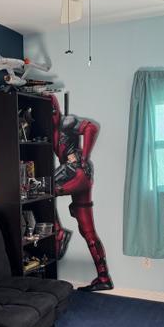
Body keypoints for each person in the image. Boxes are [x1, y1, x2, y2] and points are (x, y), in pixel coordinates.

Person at [50, 94, 113, 292]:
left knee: (42, 192)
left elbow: (91, 127)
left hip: (75, 171)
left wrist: (84, 157)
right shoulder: (51, 129)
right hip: (80, 176)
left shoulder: (66, 122)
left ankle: (58, 232)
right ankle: (103, 277)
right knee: (88, 231)